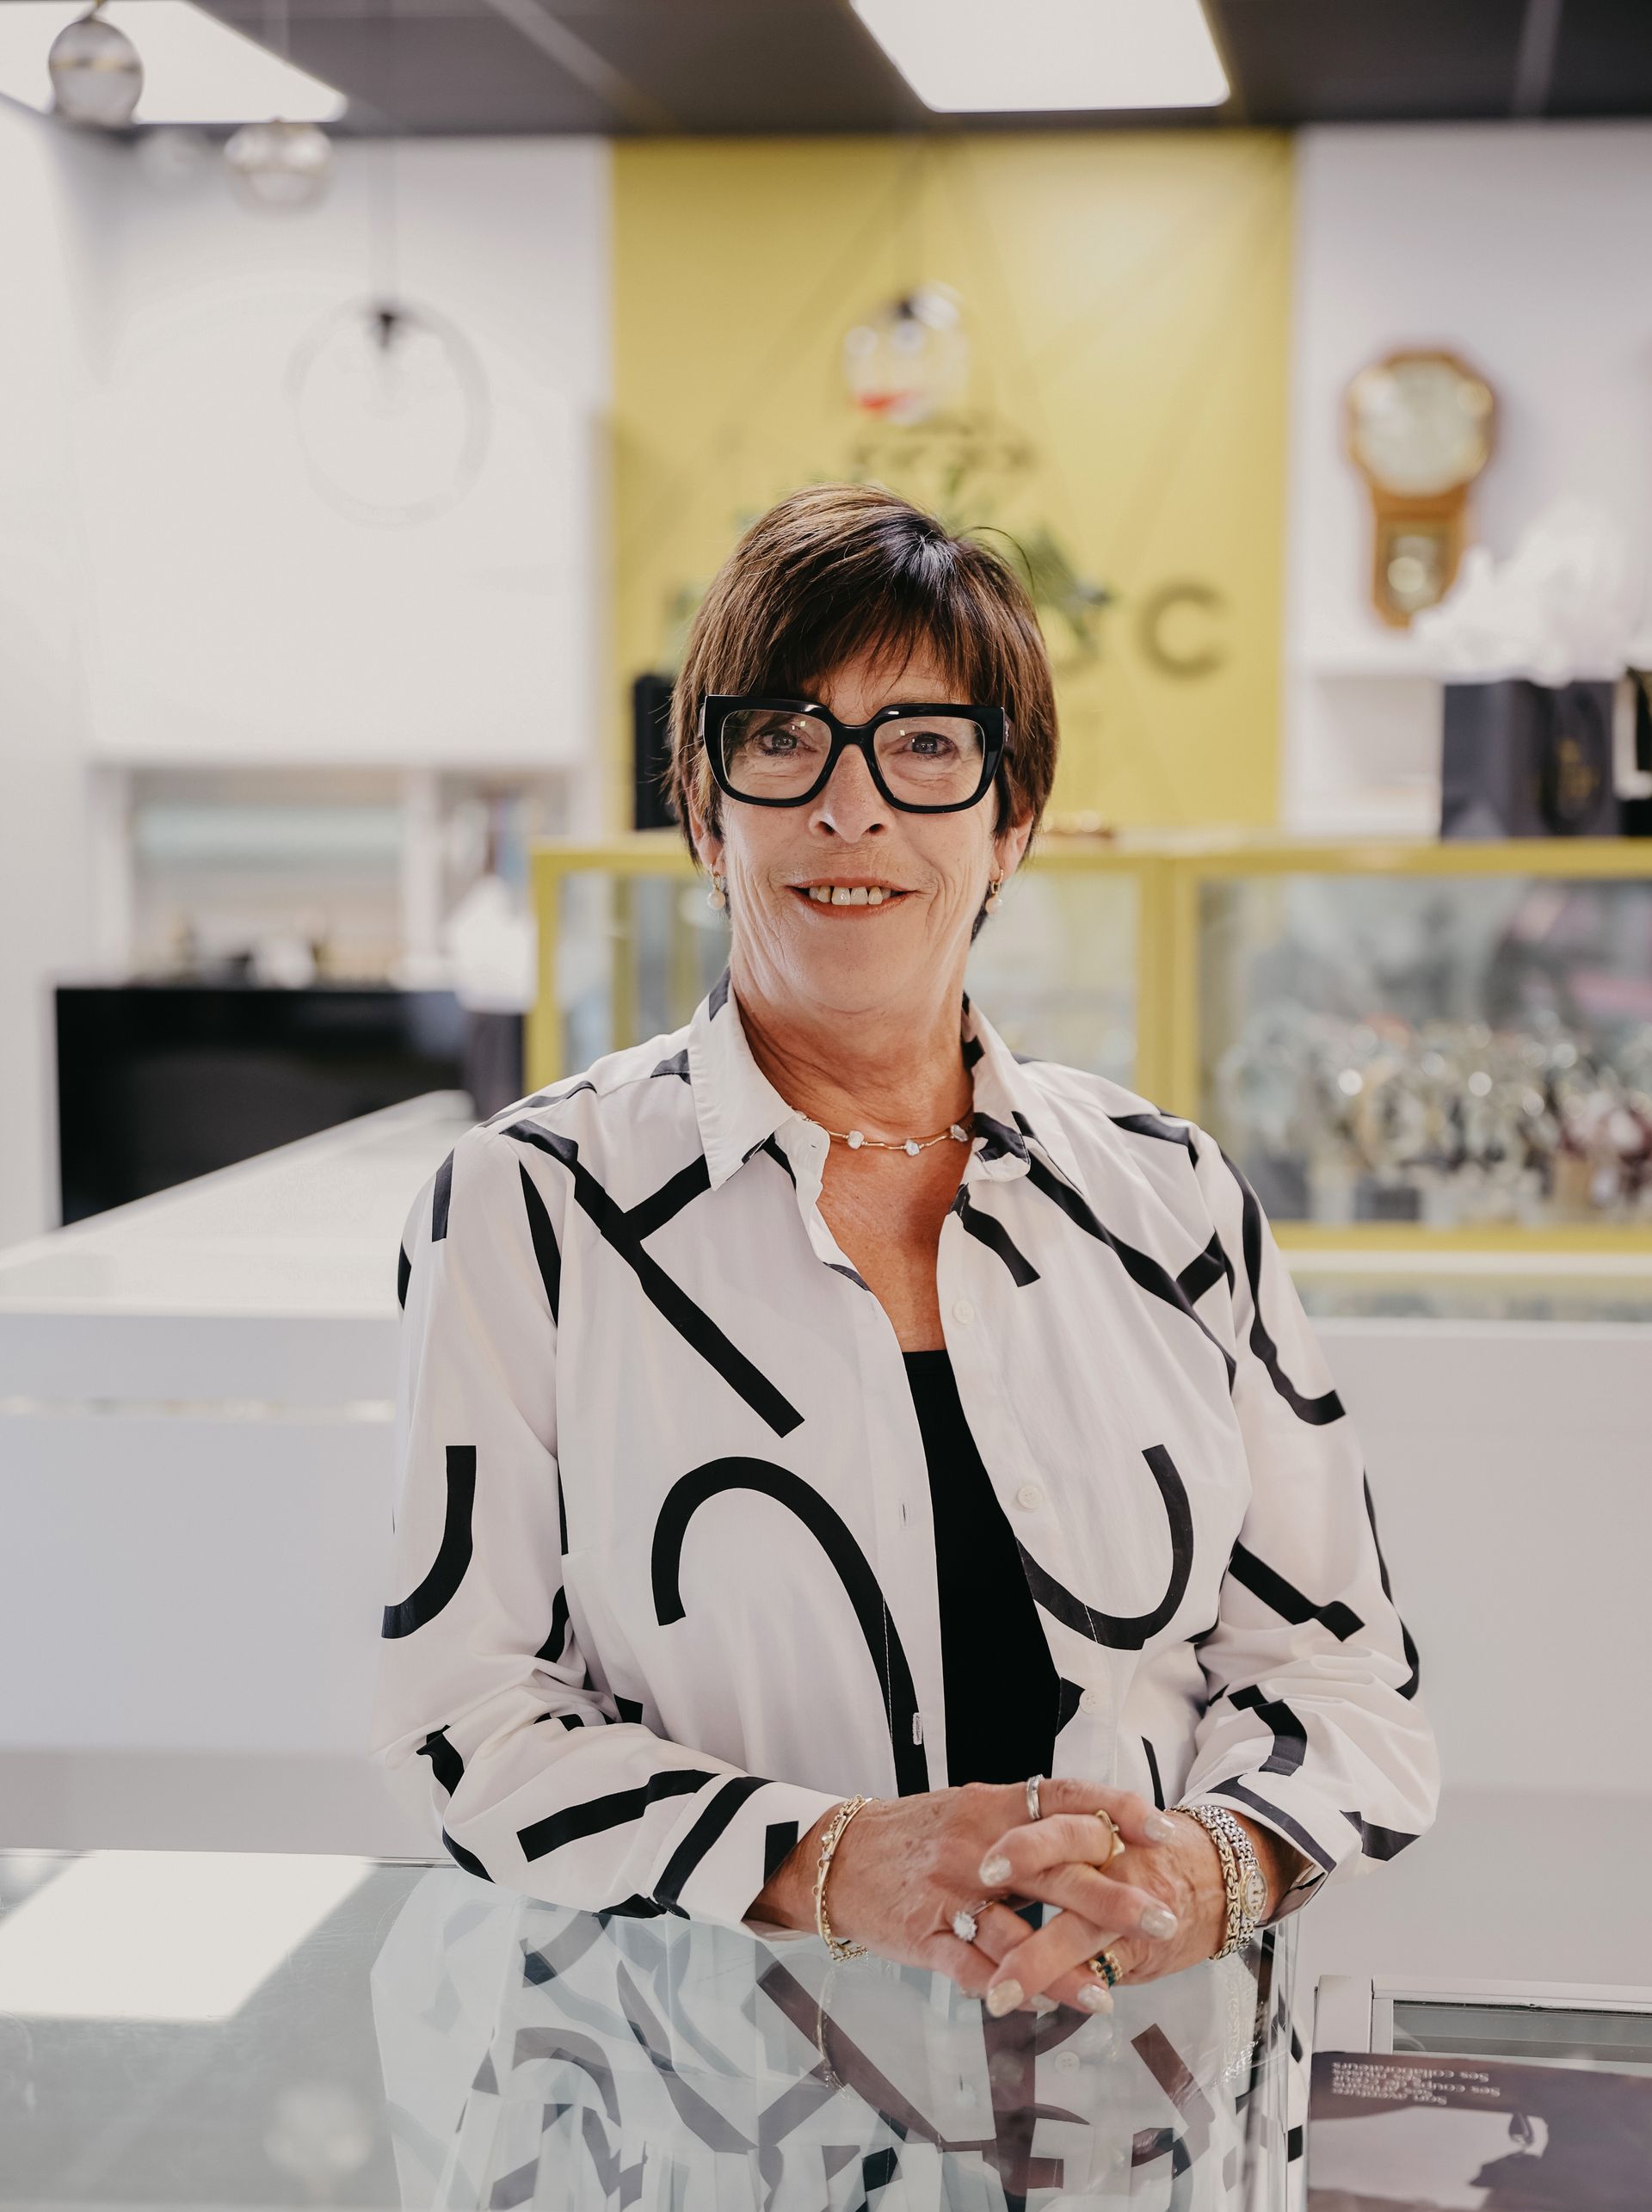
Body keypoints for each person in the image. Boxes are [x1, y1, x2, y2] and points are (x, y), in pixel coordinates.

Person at [375, 484, 1437, 2018]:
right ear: (705, 811)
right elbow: (465, 1725)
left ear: (1013, 824)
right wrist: (828, 1860)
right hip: (700, 2092)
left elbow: (1341, 1673)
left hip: (1147, 2085)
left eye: (927, 746)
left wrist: (1208, 1870)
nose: (851, 807)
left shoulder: (1172, 1200)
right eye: (783, 737)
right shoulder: (529, 1208)